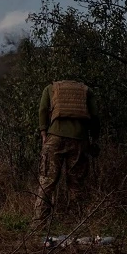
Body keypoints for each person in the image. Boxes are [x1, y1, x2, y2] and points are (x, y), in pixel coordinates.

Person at [32, 79, 100, 230]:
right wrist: (93, 139)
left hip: (54, 139)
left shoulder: (50, 88)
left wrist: (44, 133)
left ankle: (39, 225)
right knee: (76, 185)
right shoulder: (87, 90)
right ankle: (76, 225)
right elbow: (95, 116)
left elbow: (42, 110)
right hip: (79, 140)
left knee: (46, 183)